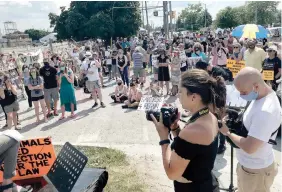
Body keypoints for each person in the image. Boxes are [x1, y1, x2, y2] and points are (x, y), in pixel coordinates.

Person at [150, 69, 225, 191]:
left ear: (194, 97)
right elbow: (190, 149)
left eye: (181, 92)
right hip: (204, 183)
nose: (178, 96)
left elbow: (172, 173)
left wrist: (164, 139)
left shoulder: (194, 130)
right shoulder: (208, 115)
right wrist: (175, 129)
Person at [220, 67, 280, 192]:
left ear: (256, 86)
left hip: (255, 171)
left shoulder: (265, 111)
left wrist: (228, 133)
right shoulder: (260, 95)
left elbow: (250, 147)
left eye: (243, 92)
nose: (241, 96)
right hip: (249, 167)